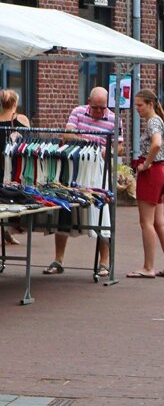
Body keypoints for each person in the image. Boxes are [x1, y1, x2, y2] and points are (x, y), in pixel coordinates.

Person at [42, 87, 121, 277]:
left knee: (102, 212)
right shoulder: (78, 112)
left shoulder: (114, 119)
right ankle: (58, 259)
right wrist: (89, 143)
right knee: (65, 210)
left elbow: (119, 146)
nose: (99, 112)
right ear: (88, 102)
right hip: (74, 168)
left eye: (102, 108)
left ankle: (104, 262)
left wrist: (108, 150)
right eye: (95, 107)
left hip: (98, 170)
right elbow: (67, 134)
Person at [127, 90, 164, 279]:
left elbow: (156, 143)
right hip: (160, 172)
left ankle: (148, 267)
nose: (137, 109)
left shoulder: (152, 122)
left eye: (140, 105)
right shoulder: (158, 121)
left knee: (146, 222)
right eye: (136, 105)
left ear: (150, 104)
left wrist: (146, 164)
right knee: (159, 222)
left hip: (151, 173)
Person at [0, 89, 29, 244]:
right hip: (14, 164)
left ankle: (5, 231)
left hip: (1, 163)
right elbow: (29, 140)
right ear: (15, 103)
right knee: (12, 195)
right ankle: (9, 229)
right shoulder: (21, 119)